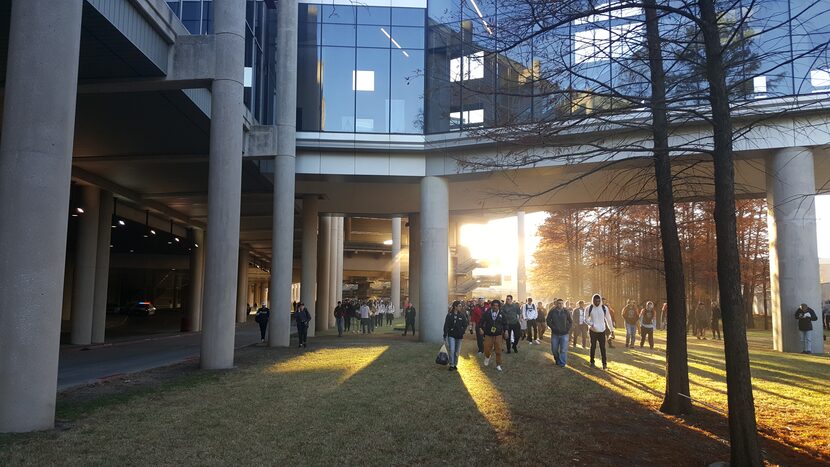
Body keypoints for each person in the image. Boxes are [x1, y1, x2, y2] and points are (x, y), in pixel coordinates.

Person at [586, 294, 614, 369]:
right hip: (593, 330)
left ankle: (604, 364)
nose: (597, 302)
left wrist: (612, 330)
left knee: (603, 348)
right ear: (593, 300)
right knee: (593, 346)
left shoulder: (604, 308)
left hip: (602, 330)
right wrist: (591, 324)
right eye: (596, 301)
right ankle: (592, 362)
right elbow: (585, 319)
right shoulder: (589, 308)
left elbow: (608, 319)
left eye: (599, 301)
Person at [479, 299, 508, 371]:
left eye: (497, 306)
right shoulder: (487, 313)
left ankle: (498, 364)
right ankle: (487, 357)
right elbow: (481, 321)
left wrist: (506, 331)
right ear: (491, 306)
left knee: (498, 350)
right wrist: (480, 328)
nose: (495, 307)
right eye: (494, 305)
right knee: (487, 349)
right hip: (488, 334)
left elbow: (505, 324)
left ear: (499, 307)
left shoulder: (502, 314)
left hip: (498, 335)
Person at [443, 300, 469, 371]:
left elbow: (465, 324)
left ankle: (455, 364)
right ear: (455, 307)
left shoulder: (462, 315)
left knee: (457, 351)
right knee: (452, 350)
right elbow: (446, 325)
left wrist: (462, 331)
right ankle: (451, 364)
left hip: (459, 336)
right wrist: (445, 334)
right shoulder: (449, 315)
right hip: (451, 335)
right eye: (459, 306)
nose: (461, 307)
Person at [546, 298, 573, 367]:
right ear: (556, 304)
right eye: (559, 303)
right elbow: (548, 320)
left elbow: (570, 321)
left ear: (563, 304)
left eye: (562, 303)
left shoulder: (566, 311)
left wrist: (567, 329)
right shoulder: (552, 311)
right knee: (554, 349)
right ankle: (557, 360)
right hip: (555, 333)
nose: (560, 305)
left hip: (564, 334)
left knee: (563, 349)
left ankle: (562, 363)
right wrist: (553, 328)